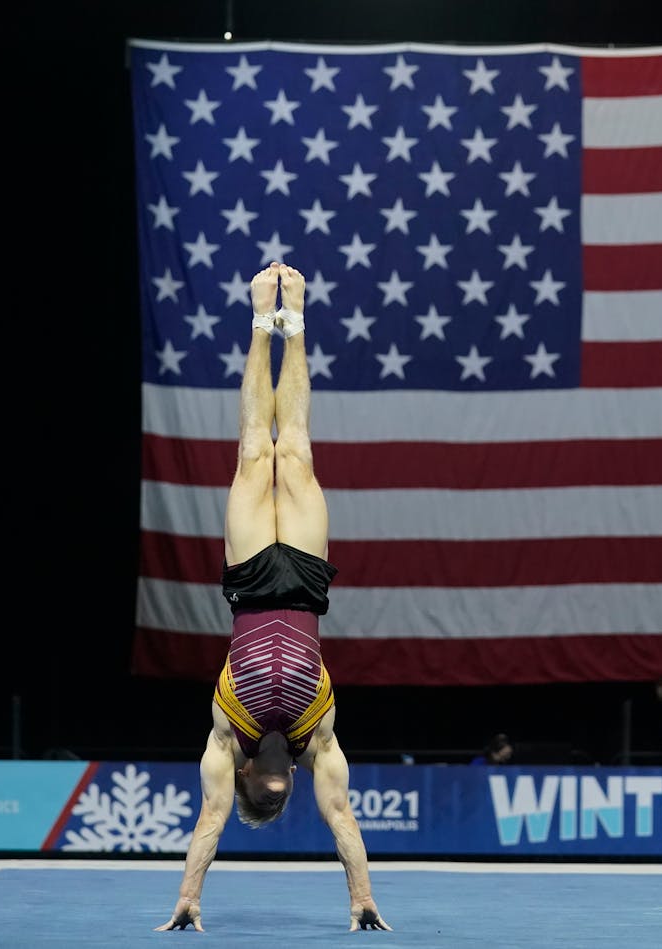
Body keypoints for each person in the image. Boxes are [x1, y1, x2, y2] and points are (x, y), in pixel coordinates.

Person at [156, 263, 391, 935]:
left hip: (253, 585)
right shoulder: (321, 735)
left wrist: (189, 895)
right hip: (308, 590)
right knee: (302, 455)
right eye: (285, 785)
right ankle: (299, 323)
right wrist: (362, 897)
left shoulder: (226, 735)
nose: (283, 775)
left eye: (272, 784)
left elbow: (209, 818)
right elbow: (342, 816)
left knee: (257, 451)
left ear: (251, 778)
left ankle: (263, 321)